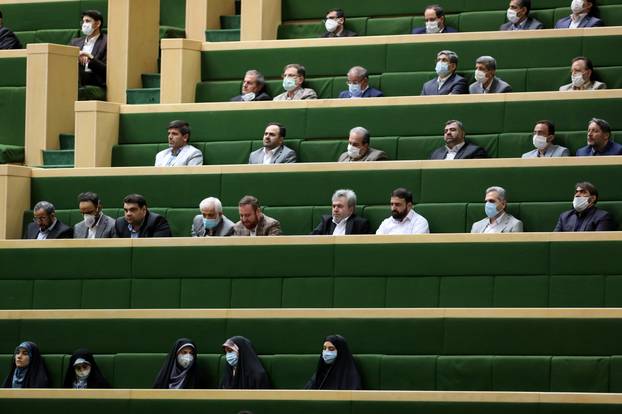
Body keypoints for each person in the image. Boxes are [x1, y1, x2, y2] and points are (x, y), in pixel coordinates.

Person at [69, 10, 107, 89]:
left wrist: (90, 58)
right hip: (75, 77)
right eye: (83, 21)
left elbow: (106, 70)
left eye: (87, 21)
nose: (84, 24)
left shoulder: (106, 42)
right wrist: (76, 57)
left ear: (97, 24)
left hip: (94, 80)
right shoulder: (75, 42)